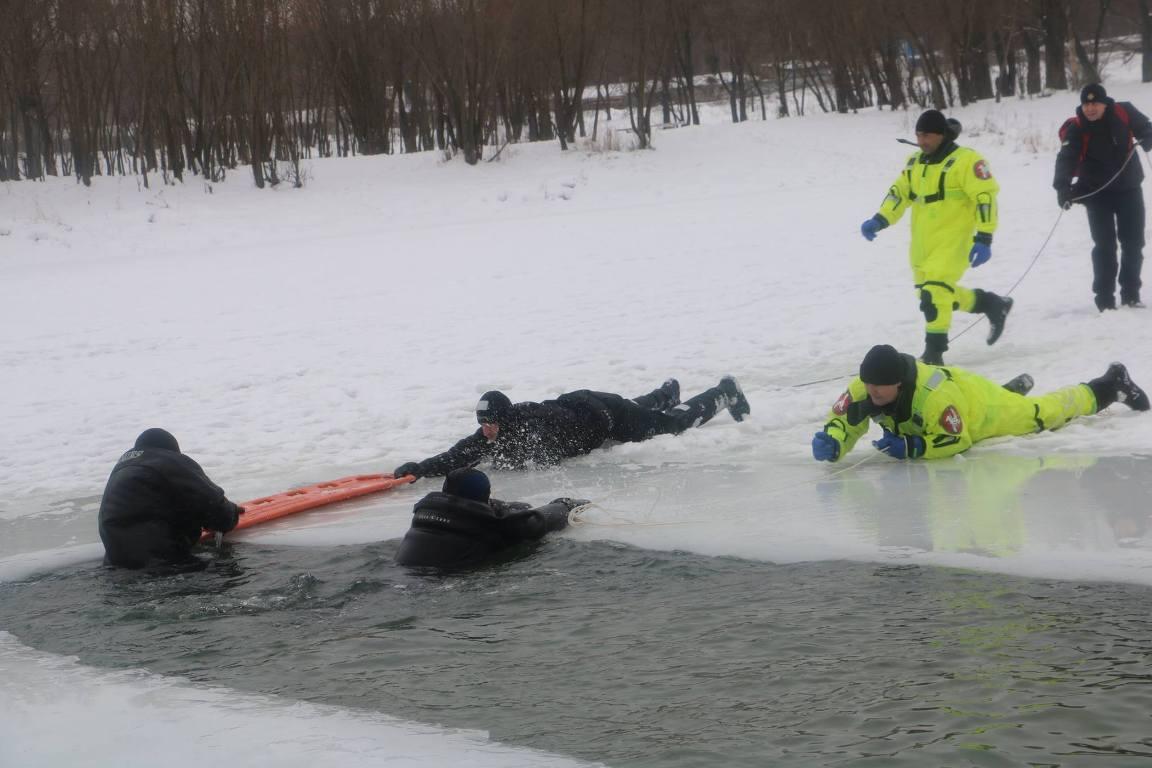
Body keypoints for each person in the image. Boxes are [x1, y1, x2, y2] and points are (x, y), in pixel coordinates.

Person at [811, 344, 1149, 463]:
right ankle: (1012, 389)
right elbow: (845, 419)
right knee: (1011, 403)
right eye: (868, 385)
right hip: (959, 402)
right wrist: (834, 441)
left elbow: (958, 439)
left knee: (1040, 415)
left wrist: (914, 447)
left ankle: (1108, 386)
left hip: (981, 409)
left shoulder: (933, 398)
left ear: (898, 382)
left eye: (879, 388)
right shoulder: (866, 385)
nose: (872, 393)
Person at [859, 109, 1013, 365]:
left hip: (953, 241)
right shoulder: (915, 163)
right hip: (922, 243)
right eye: (918, 135)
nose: (922, 141)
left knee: (934, 295)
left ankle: (934, 354)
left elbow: (985, 197)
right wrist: (880, 219)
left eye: (927, 135)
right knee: (932, 296)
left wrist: (984, 237)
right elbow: (899, 193)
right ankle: (990, 303)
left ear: (941, 135)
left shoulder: (967, 161)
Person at [392, 376, 750, 479]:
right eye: (482, 425)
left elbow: (539, 458)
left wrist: (501, 458)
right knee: (642, 410)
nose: (486, 431)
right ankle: (664, 393)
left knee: (671, 426)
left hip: (608, 415)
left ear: (503, 419)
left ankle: (724, 392)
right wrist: (420, 469)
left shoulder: (532, 427)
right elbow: (462, 453)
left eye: (490, 424)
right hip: (586, 406)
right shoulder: (498, 427)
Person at [1054, 83, 1152, 311]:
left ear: (1105, 103)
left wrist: (1147, 137)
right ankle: (1105, 300)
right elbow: (1066, 158)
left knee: (1133, 243)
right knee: (1104, 246)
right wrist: (1062, 187)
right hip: (1097, 193)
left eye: (1095, 103)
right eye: (1086, 104)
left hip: (1129, 190)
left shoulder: (1123, 111)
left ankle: (1131, 294)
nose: (1090, 108)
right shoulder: (1077, 127)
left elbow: (1146, 127)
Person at [98, 428, 242, 569]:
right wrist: (232, 513)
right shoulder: (170, 461)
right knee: (228, 573)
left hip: (116, 564)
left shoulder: (121, 469)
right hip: (163, 563)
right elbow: (215, 507)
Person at [394, 467, 587, 568]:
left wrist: (511, 507)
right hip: (442, 584)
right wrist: (567, 504)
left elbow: (476, 506)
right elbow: (539, 521)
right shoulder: (492, 525)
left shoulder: (425, 513)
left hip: (402, 572)